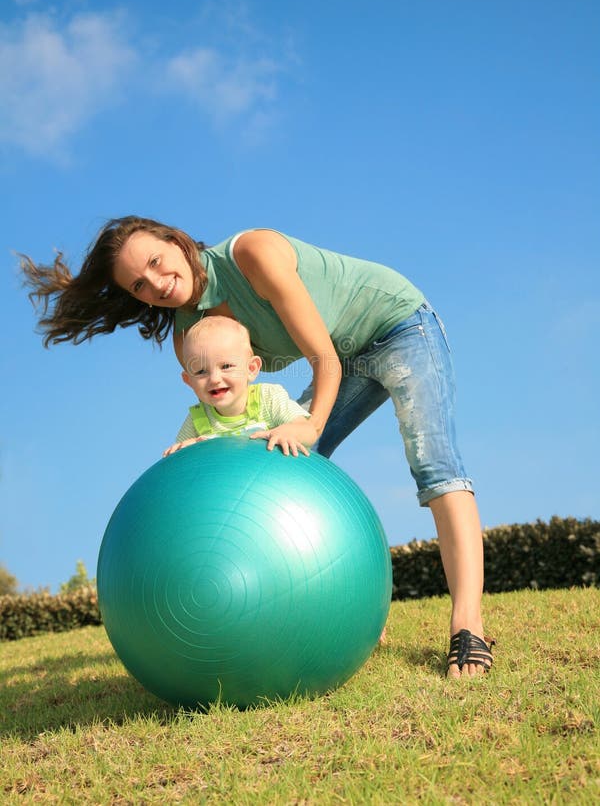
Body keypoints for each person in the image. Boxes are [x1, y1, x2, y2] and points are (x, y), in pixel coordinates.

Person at [20, 215, 495, 677]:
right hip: (339, 359)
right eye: (138, 286)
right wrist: (208, 446)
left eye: (156, 261)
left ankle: (467, 627)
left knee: (432, 463)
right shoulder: (190, 332)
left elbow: (322, 358)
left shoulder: (252, 254)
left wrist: (309, 428)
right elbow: (234, 413)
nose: (157, 283)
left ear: (175, 240)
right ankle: (342, 619)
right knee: (282, 467)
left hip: (397, 326)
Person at [163, 314, 312, 458]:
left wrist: (288, 432)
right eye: (201, 371)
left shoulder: (268, 398)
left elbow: (309, 430)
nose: (214, 379)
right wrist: (185, 451)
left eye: (226, 366)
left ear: (251, 369)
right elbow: (177, 464)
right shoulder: (198, 419)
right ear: (189, 381)